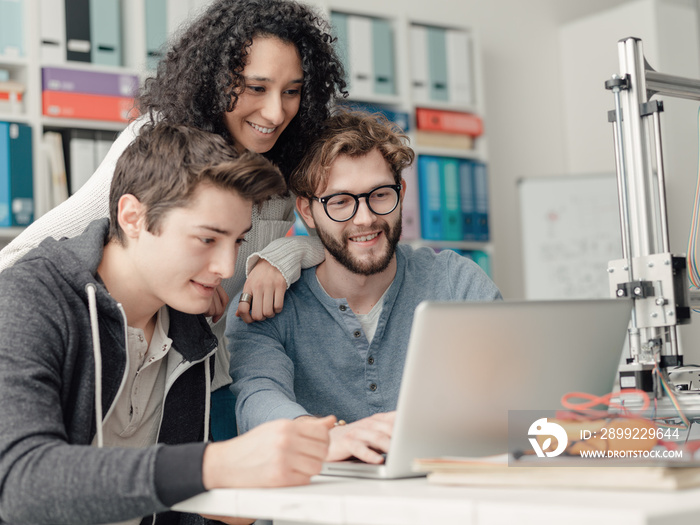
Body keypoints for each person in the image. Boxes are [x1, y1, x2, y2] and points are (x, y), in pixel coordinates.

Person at [0, 0, 346, 440]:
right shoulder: (160, 147)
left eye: (292, 91)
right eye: (256, 88)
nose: (276, 112)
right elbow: (19, 261)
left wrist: (282, 255)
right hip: (120, 365)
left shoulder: (286, 157)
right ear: (215, 79)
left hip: (206, 373)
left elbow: (352, 233)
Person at [0, 123, 335, 525]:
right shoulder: (29, 300)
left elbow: (169, 504)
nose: (226, 267)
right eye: (207, 240)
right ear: (132, 216)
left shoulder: (189, 327)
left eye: (238, 242)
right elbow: (19, 483)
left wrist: (232, 504)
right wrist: (212, 465)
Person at [227, 111, 502, 464]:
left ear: (400, 192)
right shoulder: (268, 304)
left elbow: (513, 393)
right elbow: (258, 397)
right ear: (307, 212)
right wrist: (325, 436)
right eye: (340, 201)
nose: (365, 218)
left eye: (380, 195)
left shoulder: (456, 281)